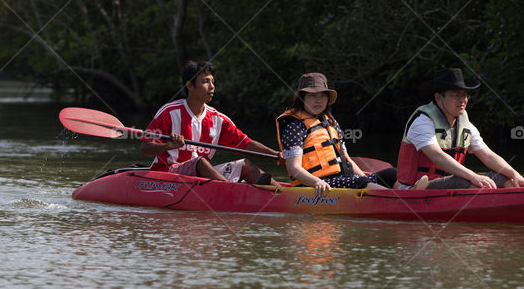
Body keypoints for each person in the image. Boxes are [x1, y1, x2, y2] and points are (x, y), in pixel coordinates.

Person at [396, 68, 524, 190]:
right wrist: (473, 176)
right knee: (473, 182)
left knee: (502, 176)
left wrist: (515, 175)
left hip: (450, 184)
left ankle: (522, 197)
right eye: (455, 95)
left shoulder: (466, 126)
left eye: (464, 95)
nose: (462, 100)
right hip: (417, 188)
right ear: (438, 97)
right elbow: (437, 156)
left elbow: (488, 155)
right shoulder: (422, 122)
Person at [141, 60, 279, 183]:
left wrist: (275, 155)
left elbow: (246, 144)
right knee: (200, 162)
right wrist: (168, 145)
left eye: (213, 82)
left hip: (202, 174)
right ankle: (231, 192)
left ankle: (284, 194)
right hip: (167, 173)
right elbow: (145, 147)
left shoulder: (218, 119)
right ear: (189, 85)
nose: (212, 86)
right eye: (206, 81)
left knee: (246, 165)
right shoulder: (169, 112)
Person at [276, 73, 405, 196]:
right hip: (311, 185)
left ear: (327, 99)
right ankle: (400, 201)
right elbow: (294, 168)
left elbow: (346, 158)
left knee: (392, 174)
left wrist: (366, 179)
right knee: (359, 182)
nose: (318, 100)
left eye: (322, 96)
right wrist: (317, 182)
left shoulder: (330, 121)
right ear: (301, 98)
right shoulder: (293, 126)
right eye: (312, 96)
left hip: (343, 178)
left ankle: (412, 193)